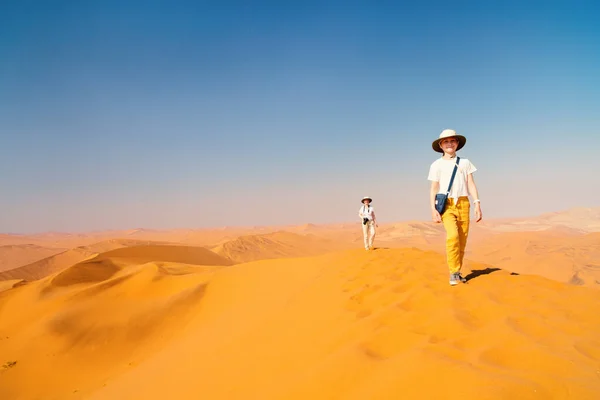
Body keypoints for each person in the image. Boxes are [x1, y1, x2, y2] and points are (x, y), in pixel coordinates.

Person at [427, 129, 482, 286]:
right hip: (447, 205)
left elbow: (471, 183)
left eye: (452, 141)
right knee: (453, 236)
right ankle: (453, 272)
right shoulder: (436, 165)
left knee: (462, 240)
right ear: (441, 145)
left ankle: (457, 272)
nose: (449, 144)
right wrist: (433, 209)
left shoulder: (465, 163)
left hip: (464, 203)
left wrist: (477, 203)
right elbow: (433, 188)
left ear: (457, 143)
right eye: (446, 141)